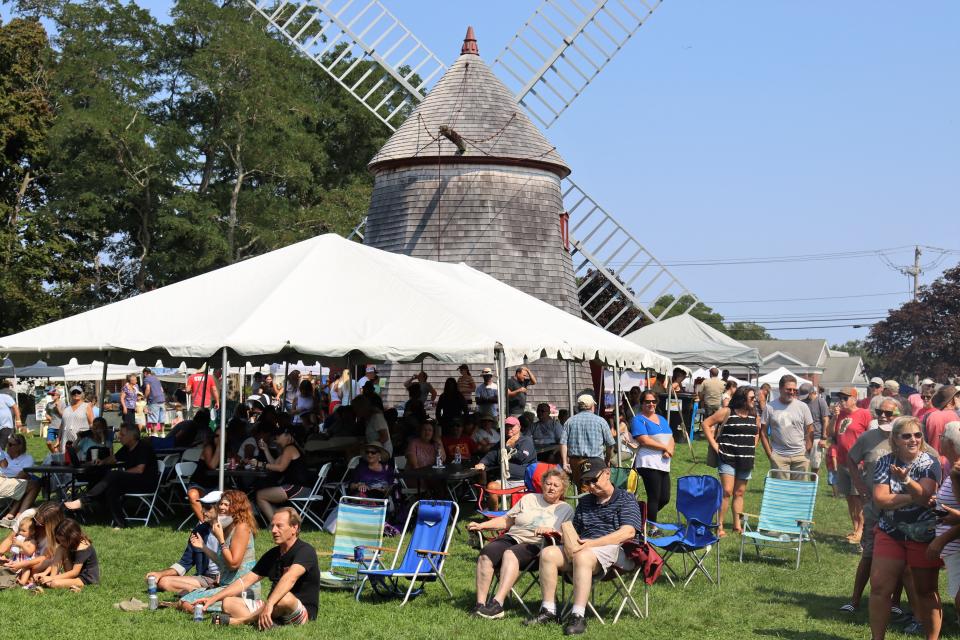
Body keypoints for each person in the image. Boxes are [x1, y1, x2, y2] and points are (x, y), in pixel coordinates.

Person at [525, 458, 644, 636]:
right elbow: (576, 531)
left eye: (594, 480)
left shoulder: (626, 498)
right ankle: (548, 610)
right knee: (548, 553)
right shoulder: (586, 502)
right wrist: (561, 534)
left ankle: (578, 615)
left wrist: (592, 544)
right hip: (585, 548)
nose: (591, 486)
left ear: (607, 474)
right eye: (586, 482)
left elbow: (627, 533)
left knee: (583, 556)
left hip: (617, 549)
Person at [868, 416, 942, 640]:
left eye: (917, 435)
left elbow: (926, 493)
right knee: (880, 588)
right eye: (907, 436)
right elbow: (880, 499)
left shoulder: (930, 462)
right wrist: (915, 496)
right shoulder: (884, 461)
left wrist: (907, 483)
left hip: (923, 535)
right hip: (890, 531)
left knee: (926, 591)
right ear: (895, 439)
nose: (913, 440)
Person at [467, 469, 575, 619]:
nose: (551, 488)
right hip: (513, 537)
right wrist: (482, 526)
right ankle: (480, 605)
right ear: (542, 485)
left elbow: (567, 536)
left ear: (562, 489)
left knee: (510, 554)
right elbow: (507, 520)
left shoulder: (566, 509)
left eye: (556, 485)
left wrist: (550, 531)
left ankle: (497, 604)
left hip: (537, 544)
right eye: (548, 483)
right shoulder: (529, 499)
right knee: (486, 554)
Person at [196, 508, 319, 628]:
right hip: (273, 607)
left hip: (299, 612)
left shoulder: (305, 551)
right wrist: (213, 598)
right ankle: (270, 623)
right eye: (273, 526)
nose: (274, 530)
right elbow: (246, 581)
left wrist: (269, 604)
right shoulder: (273, 553)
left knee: (285, 598)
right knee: (228, 602)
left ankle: (240, 621)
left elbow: (290, 578)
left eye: (279, 526)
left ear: (294, 528)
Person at [841, 399, 904, 614]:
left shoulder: (908, 437)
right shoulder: (868, 437)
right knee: (868, 553)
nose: (883, 416)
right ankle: (855, 601)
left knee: (900, 556)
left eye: (889, 413)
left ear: (899, 415)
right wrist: (860, 485)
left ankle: (896, 603)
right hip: (874, 508)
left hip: (901, 508)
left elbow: (930, 456)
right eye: (879, 412)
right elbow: (850, 458)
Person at [63, 423, 159, 528]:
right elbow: (113, 458)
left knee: (114, 474)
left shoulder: (144, 447)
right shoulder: (127, 448)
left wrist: (121, 474)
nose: (119, 437)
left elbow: (139, 470)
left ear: (132, 436)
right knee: (112, 488)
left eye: (122, 434)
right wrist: (102, 461)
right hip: (133, 481)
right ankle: (120, 523)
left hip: (146, 482)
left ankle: (84, 500)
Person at [179, 489, 259, 613]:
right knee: (185, 599)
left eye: (226, 504)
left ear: (237, 508)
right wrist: (204, 548)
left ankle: (239, 610)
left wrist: (221, 539)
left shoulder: (242, 527)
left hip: (241, 589)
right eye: (221, 504)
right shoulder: (227, 527)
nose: (221, 507)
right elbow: (223, 562)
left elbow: (233, 564)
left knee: (188, 603)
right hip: (226, 585)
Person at [704, 387, 760, 536]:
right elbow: (706, 423)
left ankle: (737, 525)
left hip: (746, 458)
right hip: (727, 456)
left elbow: (757, 432)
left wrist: (753, 445)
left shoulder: (754, 414)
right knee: (727, 491)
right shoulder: (727, 411)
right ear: (742, 398)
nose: (754, 400)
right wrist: (715, 445)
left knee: (740, 492)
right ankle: (719, 525)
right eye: (751, 398)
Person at [145, 491, 222, 594]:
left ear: (220, 509)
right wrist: (160, 574)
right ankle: (204, 592)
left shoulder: (232, 530)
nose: (202, 510)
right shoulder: (199, 531)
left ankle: (205, 593)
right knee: (164, 582)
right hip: (205, 578)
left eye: (208, 508)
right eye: (202, 506)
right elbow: (185, 563)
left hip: (227, 577)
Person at [928, 421, 960, 629]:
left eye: (941, 438)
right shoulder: (954, 468)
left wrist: (941, 540)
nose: (938, 441)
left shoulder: (958, 470)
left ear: (950, 443)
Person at [832, 387, 873, 544]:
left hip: (859, 463)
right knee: (849, 497)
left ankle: (861, 530)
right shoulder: (840, 414)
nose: (841, 401)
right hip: (843, 461)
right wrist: (835, 418)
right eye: (840, 398)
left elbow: (871, 435)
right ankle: (855, 527)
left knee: (859, 498)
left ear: (854, 399)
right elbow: (831, 434)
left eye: (845, 398)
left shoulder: (864, 414)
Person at [630, 390, 674, 525]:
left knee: (665, 498)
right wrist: (664, 447)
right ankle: (652, 528)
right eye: (647, 401)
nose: (651, 404)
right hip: (648, 462)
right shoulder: (638, 419)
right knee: (654, 496)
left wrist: (670, 449)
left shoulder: (662, 419)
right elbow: (644, 440)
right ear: (642, 403)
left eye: (653, 401)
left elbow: (671, 437)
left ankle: (641, 517)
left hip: (663, 463)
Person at [474, 416, 536, 508]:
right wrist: (482, 463)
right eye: (507, 426)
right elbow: (491, 455)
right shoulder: (502, 442)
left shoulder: (526, 440)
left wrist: (507, 447)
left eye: (512, 426)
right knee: (491, 487)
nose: (509, 429)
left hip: (523, 480)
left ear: (519, 427)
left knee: (515, 511)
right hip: (504, 480)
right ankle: (493, 516)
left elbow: (522, 457)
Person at [760, 375, 814, 477]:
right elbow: (763, 432)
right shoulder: (770, 407)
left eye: (794, 389)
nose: (792, 392)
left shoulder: (803, 407)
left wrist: (808, 449)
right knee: (782, 491)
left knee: (799, 490)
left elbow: (810, 428)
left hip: (800, 456)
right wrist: (770, 454)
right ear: (780, 389)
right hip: (779, 456)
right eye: (789, 389)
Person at [254, 425, 312, 521]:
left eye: (278, 435)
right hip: (300, 487)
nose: (276, 437)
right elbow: (274, 464)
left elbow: (280, 468)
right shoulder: (289, 448)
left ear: (288, 436)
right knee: (262, 493)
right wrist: (266, 450)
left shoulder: (290, 449)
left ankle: (274, 523)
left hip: (298, 487)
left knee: (260, 495)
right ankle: (278, 523)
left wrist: (261, 464)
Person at [561, 394, 614, 487]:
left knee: (581, 488)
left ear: (578, 407)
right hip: (595, 462)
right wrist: (607, 459)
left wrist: (565, 462)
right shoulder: (601, 421)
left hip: (575, 462)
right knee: (597, 489)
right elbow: (610, 444)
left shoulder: (569, 421)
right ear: (592, 406)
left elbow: (563, 443)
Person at [33, 519, 99, 590]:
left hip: (85, 579)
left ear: (72, 536)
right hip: (74, 574)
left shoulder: (82, 548)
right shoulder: (67, 544)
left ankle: (54, 582)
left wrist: (51, 578)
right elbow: (56, 562)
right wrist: (45, 573)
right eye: (59, 540)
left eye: (63, 541)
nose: (61, 543)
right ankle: (52, 579)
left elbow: (75, 572)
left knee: (54, 584)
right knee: (60, 548)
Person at [0, 434, 35, 525]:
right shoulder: (3, 456)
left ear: (20, 446)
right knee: (33, 485)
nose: (8, 446)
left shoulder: (27, 459)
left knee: (25, 485)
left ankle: (11, 516)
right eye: (8, 444)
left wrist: (7, 476)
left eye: (11, 445)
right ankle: (17, 516)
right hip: (4, 483)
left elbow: (22, 475)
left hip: (12, 483)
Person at [800, 382, 830, 476]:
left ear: (811, 392)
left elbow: (825, 419)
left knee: (815, 465)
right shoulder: (803, 403)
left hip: (816, 437)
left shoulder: (821, 401)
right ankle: (803, 486)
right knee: (802, 464)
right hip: (803, 438)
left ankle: (813, 486)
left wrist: (824, 438)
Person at [924, 385, 958, 460]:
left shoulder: (928, 416)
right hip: (953, 462)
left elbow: (923, 441)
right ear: (952, 400)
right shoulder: (956, 415)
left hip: (932, 460)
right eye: (957, 396)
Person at [58, 385, 94, 453]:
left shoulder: (86, 406)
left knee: (79, 460)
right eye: (73, 392)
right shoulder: (66, 409)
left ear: (82, 394)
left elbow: (92, 423)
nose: (76, 394)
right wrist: (58, 440)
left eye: (78, 392)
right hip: (65, 440)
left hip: (81, 441)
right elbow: (62, 426)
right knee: (66, 460)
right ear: (70, 395)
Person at [142, 368, 166, 434]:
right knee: (162, 418)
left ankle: (155, 434)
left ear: (145, 373)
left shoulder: (146, 379)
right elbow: (162, 390)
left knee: (154, 418)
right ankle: (163, 433)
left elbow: (148, 389)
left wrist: (144, 397)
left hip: (153, 400)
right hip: (162, 399)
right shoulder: (156, 378)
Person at [44, 387, 64, 453]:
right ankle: (54, 453)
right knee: (48, 443)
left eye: (53, 395)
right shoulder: (49, 404)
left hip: (60, 426)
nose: (51, 396)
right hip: (52, 426)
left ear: (58, 395)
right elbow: (46, 413)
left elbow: (64, 415)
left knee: (59, 445)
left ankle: (57, 456)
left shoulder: (62, 403)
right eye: (51, 395)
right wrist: (48, 416)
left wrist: (58, 408)